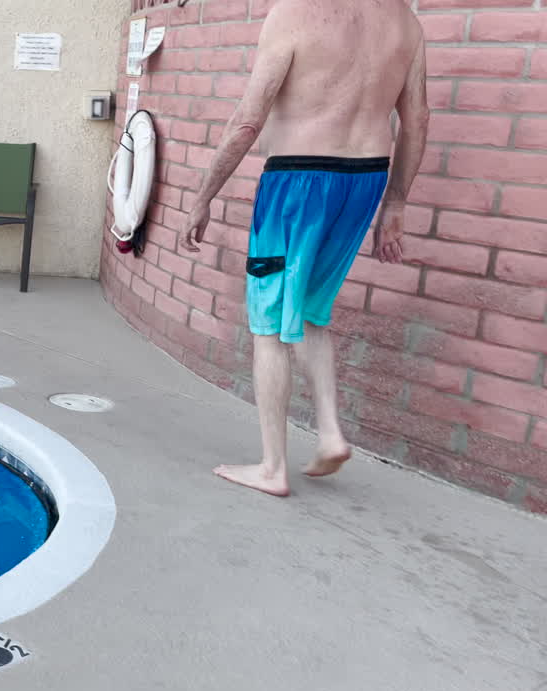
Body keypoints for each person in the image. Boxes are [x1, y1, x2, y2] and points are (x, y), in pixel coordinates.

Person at [177, 0, 430, 497]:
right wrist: (395, 204)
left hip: (298, 181)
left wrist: (201, 199)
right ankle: (331, 432)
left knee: (269, 325)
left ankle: (272, 468)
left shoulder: (292, 13)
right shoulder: (404, 20)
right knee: (313, 311)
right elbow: (417, 119)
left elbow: (248, 122)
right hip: (365, 180)